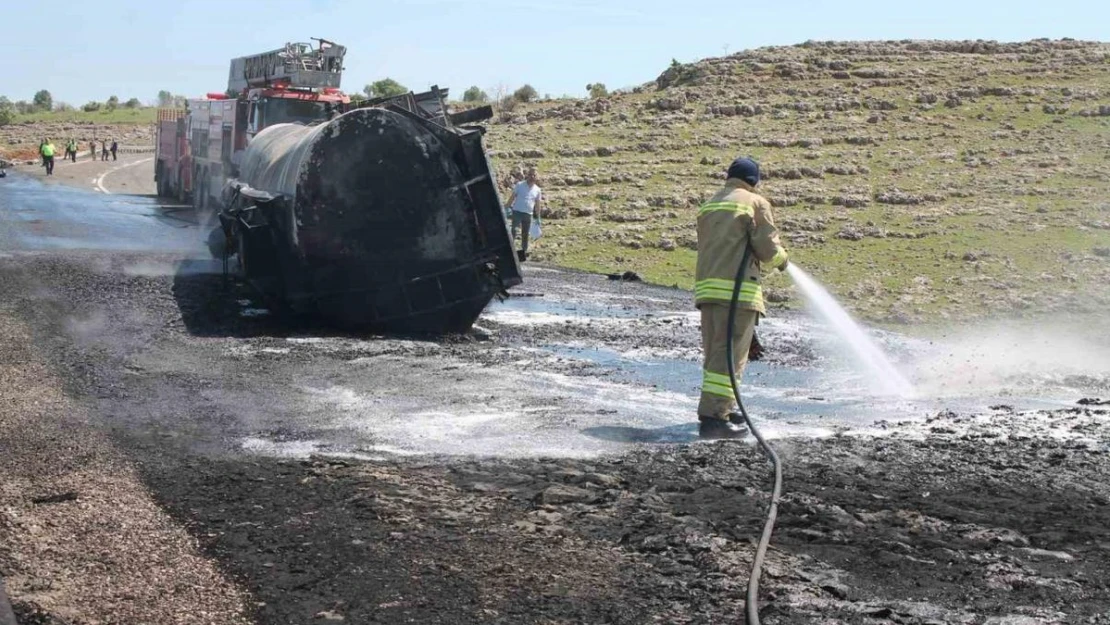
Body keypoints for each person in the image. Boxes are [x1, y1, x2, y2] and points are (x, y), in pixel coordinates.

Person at [693, 157, 788, 440]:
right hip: (737, 293)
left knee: (716, 355)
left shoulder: (710, 204)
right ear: (754, 180)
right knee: (730, 359)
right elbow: (767, 248)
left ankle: (723, 408)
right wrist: (784, 259)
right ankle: (713, 420)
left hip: (708, 291)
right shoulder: (755, 202)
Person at [504, 166, 543, 260]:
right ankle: (510, 251)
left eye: (534, 175)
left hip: (528, 214)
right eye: (530, 174)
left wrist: (538, 217)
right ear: (527, 175)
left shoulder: (537, 190)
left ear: (536, 177)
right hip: (517, 212)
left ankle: (523, 252)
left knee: (525, 234)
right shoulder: (520, 185)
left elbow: (537, 204)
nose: (532, 176)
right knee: (514, 230)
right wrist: (506, 208)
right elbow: (512, 197)